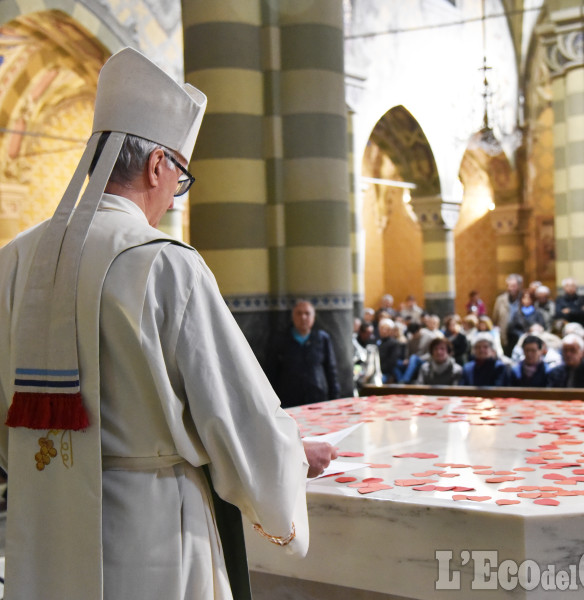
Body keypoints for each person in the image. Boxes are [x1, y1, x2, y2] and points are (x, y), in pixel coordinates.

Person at [0, 48, 336, 600]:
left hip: (43, 527)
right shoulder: (164, 263)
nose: (173, 195)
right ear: (159, 165)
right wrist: (293, 461)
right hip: (152, 534)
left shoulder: (15, 260)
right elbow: (236, 412)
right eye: (180, 178)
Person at [268, 300, 341, 408]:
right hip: (289, 398)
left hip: (317, 397)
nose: (303, 317)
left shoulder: (322, 338)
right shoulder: (281, 339)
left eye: (307, 313)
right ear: (293, 317)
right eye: (299, 313)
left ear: (313, 317)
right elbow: (271, 370)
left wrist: (335, 397)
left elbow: (331, 369)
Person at [492, 273, 523, 353]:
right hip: (505, 337)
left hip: (521, 337)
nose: (509, 288)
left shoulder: (525, 299)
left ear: (519, 286)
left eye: (513, 286)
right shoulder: (500, 300)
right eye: (508, 286)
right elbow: (495, 319)